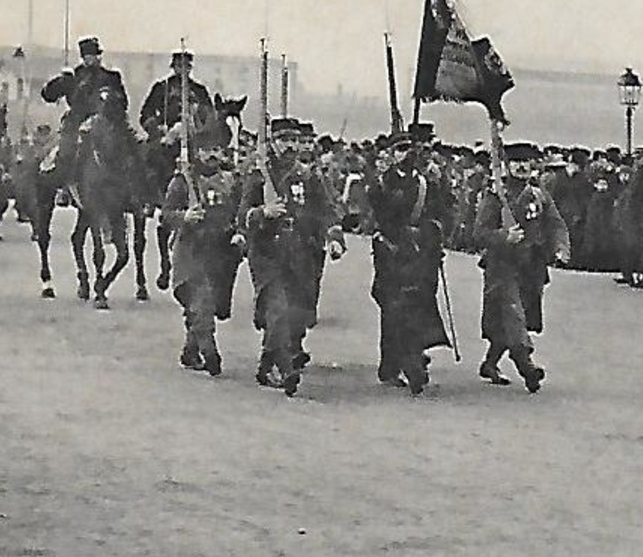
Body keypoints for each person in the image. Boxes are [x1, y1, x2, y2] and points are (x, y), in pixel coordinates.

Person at [239, 117, 345, 396]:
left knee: (297, 313)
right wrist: (263, 213)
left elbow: (326, 211)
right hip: (268, 253)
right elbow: (241, 215)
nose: (291, 146)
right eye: (285, 140)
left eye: (295, 141)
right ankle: (286, 369)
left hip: (300, 252)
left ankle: (266, 363)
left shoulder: (308, 176)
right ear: (273, 142)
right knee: (278, 308)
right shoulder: (259, 174)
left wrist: (333, 237)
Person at [473, 143, 569, 392]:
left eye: (527, 162)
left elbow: (556, 224)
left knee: (517, 317)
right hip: (502, 267)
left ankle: (490, 363)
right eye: (517, 162)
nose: (522, 167)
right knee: (513, 313)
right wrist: (504, 236)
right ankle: (527, 367)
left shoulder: (539, 195)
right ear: (507, 166)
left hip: (531, 267)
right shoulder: (496, 195)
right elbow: (479, 233)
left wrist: (560, 248)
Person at [367, 128, 453, 394]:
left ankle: (413, 356)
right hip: (391, 250)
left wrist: (432, 233)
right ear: (391, 155)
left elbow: (442, 211)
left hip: (422, 250)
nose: (407, 155)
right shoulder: (381, 183)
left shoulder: (428, 183)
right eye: (400, 150)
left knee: (420, 303)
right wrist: (399, 233)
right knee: (393, 308)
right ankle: (394, 364)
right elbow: (381, 216)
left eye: (410, 150)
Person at [163, 142, 245, 377]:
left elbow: (241, 210)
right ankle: (210, 352)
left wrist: (240, 233)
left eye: (217, 149)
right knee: (201, 301)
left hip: (220, 253)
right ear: (197, 152)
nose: (212, 154)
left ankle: (190, 350)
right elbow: (167, 213)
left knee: (207, 304)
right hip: (192, 251)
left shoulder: (231, 181)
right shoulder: (183, 181)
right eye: (207, 148)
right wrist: (184, 216)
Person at [39, 37, 128, 187]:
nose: (91, 59)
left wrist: (111, 99)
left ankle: (134, 189)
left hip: (104, 122)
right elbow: (48, 95)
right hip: (77, 123)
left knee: (127, 149)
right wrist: (59, 82)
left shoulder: (111, 77)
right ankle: (62, 184)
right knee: (66, 149)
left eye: (94, 55)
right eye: (87, 56)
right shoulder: (74, 77)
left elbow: (123, 103)